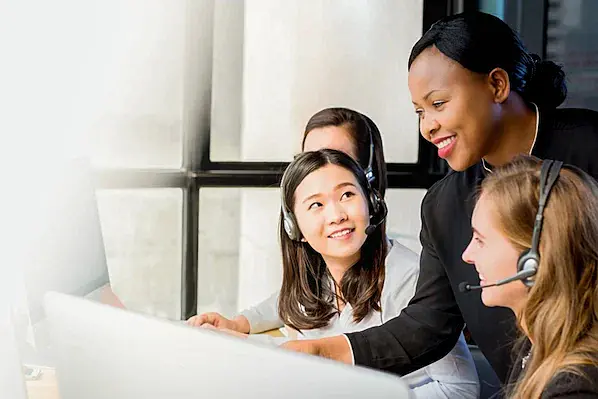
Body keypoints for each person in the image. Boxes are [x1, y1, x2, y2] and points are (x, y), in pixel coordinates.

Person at [278, 11, 598, 384]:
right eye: (419, 112)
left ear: (496, 84)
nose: (427, 127)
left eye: (439, 104)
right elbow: (429, 325)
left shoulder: (590, 147)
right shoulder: (445, 205)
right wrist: (324, 350)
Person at [192, 148, 479, 398]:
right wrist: (238, 324)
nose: (336, 214)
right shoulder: (320, 279)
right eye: (316, 204)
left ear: (372, 204)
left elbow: (461, 388)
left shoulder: (408, 279)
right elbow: (283, 303)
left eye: (347, 195)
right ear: (295, 228)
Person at [462, 156, 598, 398]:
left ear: (534, 261)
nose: (467, 255)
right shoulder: (538, 342)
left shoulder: (576, 388)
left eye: (480, 240)